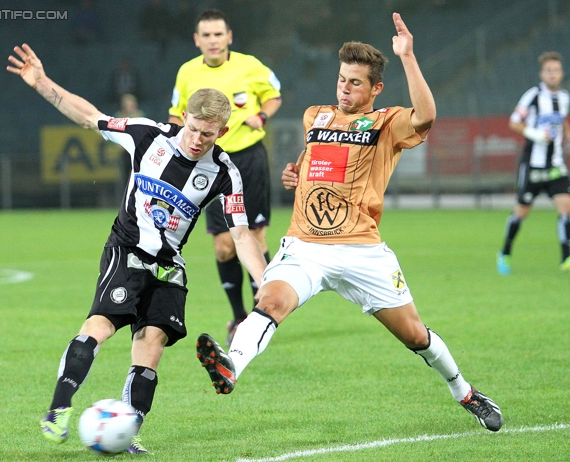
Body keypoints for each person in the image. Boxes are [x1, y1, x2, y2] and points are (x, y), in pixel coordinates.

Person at [196, 12, 504, 433]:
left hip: (362, 251)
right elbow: (314, 165)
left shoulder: (386, 123)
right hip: (305, 246)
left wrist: (408, 58)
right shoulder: (314, 117)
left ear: (376, 88)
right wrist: (296, 175)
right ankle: (232, 367)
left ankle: (464, 391)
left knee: (416, 336)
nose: (345, 87)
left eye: (356, 82)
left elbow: (427, 114)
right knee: (269, 303)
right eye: (342, 78)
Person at [6, 44, 267, 454]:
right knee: (101, 326)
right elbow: (90, 117)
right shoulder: (147, 134)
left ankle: (129, 433)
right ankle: (58, 409)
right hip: (127, 248)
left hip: (169, 264)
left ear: (224, 132)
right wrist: (41, 82)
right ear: (184, 118)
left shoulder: (224, 172)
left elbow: (241, 235)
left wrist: (264, 282)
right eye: (194, 128)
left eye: (209, 133)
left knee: (152, 343)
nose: (198, 140)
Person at [169, 9, 282, 346]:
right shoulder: (187, 72)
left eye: (219, 34)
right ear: (197, 40)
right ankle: (239, 315)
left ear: (229, 37)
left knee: (256, 239)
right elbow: (176, 115)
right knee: (223, 247)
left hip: (249, 160)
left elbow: (274, 95)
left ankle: (263, 315)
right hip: (211, 165)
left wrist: (261, 115)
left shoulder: (250, 65)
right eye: (207, 35)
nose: (213, 41)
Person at [496, 51, 570, 275]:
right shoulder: (534, 95)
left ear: (561, 73)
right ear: (542, 73)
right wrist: (535, 134)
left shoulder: (565, 98)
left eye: (556, 70)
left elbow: (565, 125)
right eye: (549, 70)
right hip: (533, 165)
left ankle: (566, 258)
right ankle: (505, 252)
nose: (553, 74)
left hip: (556, 165)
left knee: (566, 210)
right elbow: (514, 121)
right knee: (521, 213)